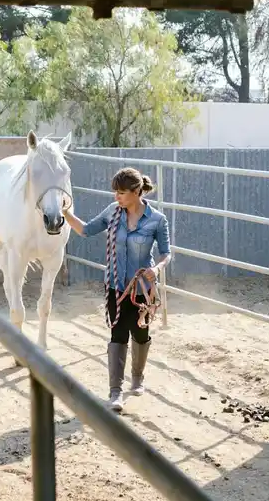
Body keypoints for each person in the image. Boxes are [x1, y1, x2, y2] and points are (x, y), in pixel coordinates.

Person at [62, 167, 171, 412]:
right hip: (115, 285)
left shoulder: (157, 220)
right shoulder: (112, 213)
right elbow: (86, 230)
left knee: (140, 334)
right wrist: (64, 212)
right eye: (115, 192)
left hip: (142, 287)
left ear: (137, 192)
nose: (116, 197)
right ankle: (115, 392)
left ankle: (137, 377)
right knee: (118, 335)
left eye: (121, 193)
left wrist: (158, 268)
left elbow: (166, 253)